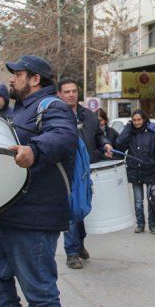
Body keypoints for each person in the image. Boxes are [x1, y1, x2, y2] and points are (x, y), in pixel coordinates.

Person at [0, 55, 78, 307]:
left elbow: (63, 137)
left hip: (36, 214)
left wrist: (34, 151)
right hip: (6, 210)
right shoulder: (18, 110)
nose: (12, 79)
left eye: (18, 74)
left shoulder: (52, 106)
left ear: (35, 79)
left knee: (37, 282)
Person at [57, 77, 113, 269]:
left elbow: (99, 135)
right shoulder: (55, 116)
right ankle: (72, 253)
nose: (71, 94)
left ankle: (79, 244)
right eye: (67, 92)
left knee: (82, 210)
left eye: (74, 91)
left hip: (86, 171)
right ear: (59, 94)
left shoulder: (89, 115)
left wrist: (105, 144)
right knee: (72, 210)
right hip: (66, 172)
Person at [116, 109, 155, 235]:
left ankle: (152, 225)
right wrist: (128, 128)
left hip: (151, 170)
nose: (137, 122)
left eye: (139, 119)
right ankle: (140, 224)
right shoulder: (130, 132)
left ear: (144, 119)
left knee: (152, 199)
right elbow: (119, 144)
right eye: (134, 120)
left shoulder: (153, 131)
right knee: (138, 201)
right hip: (135, 170)